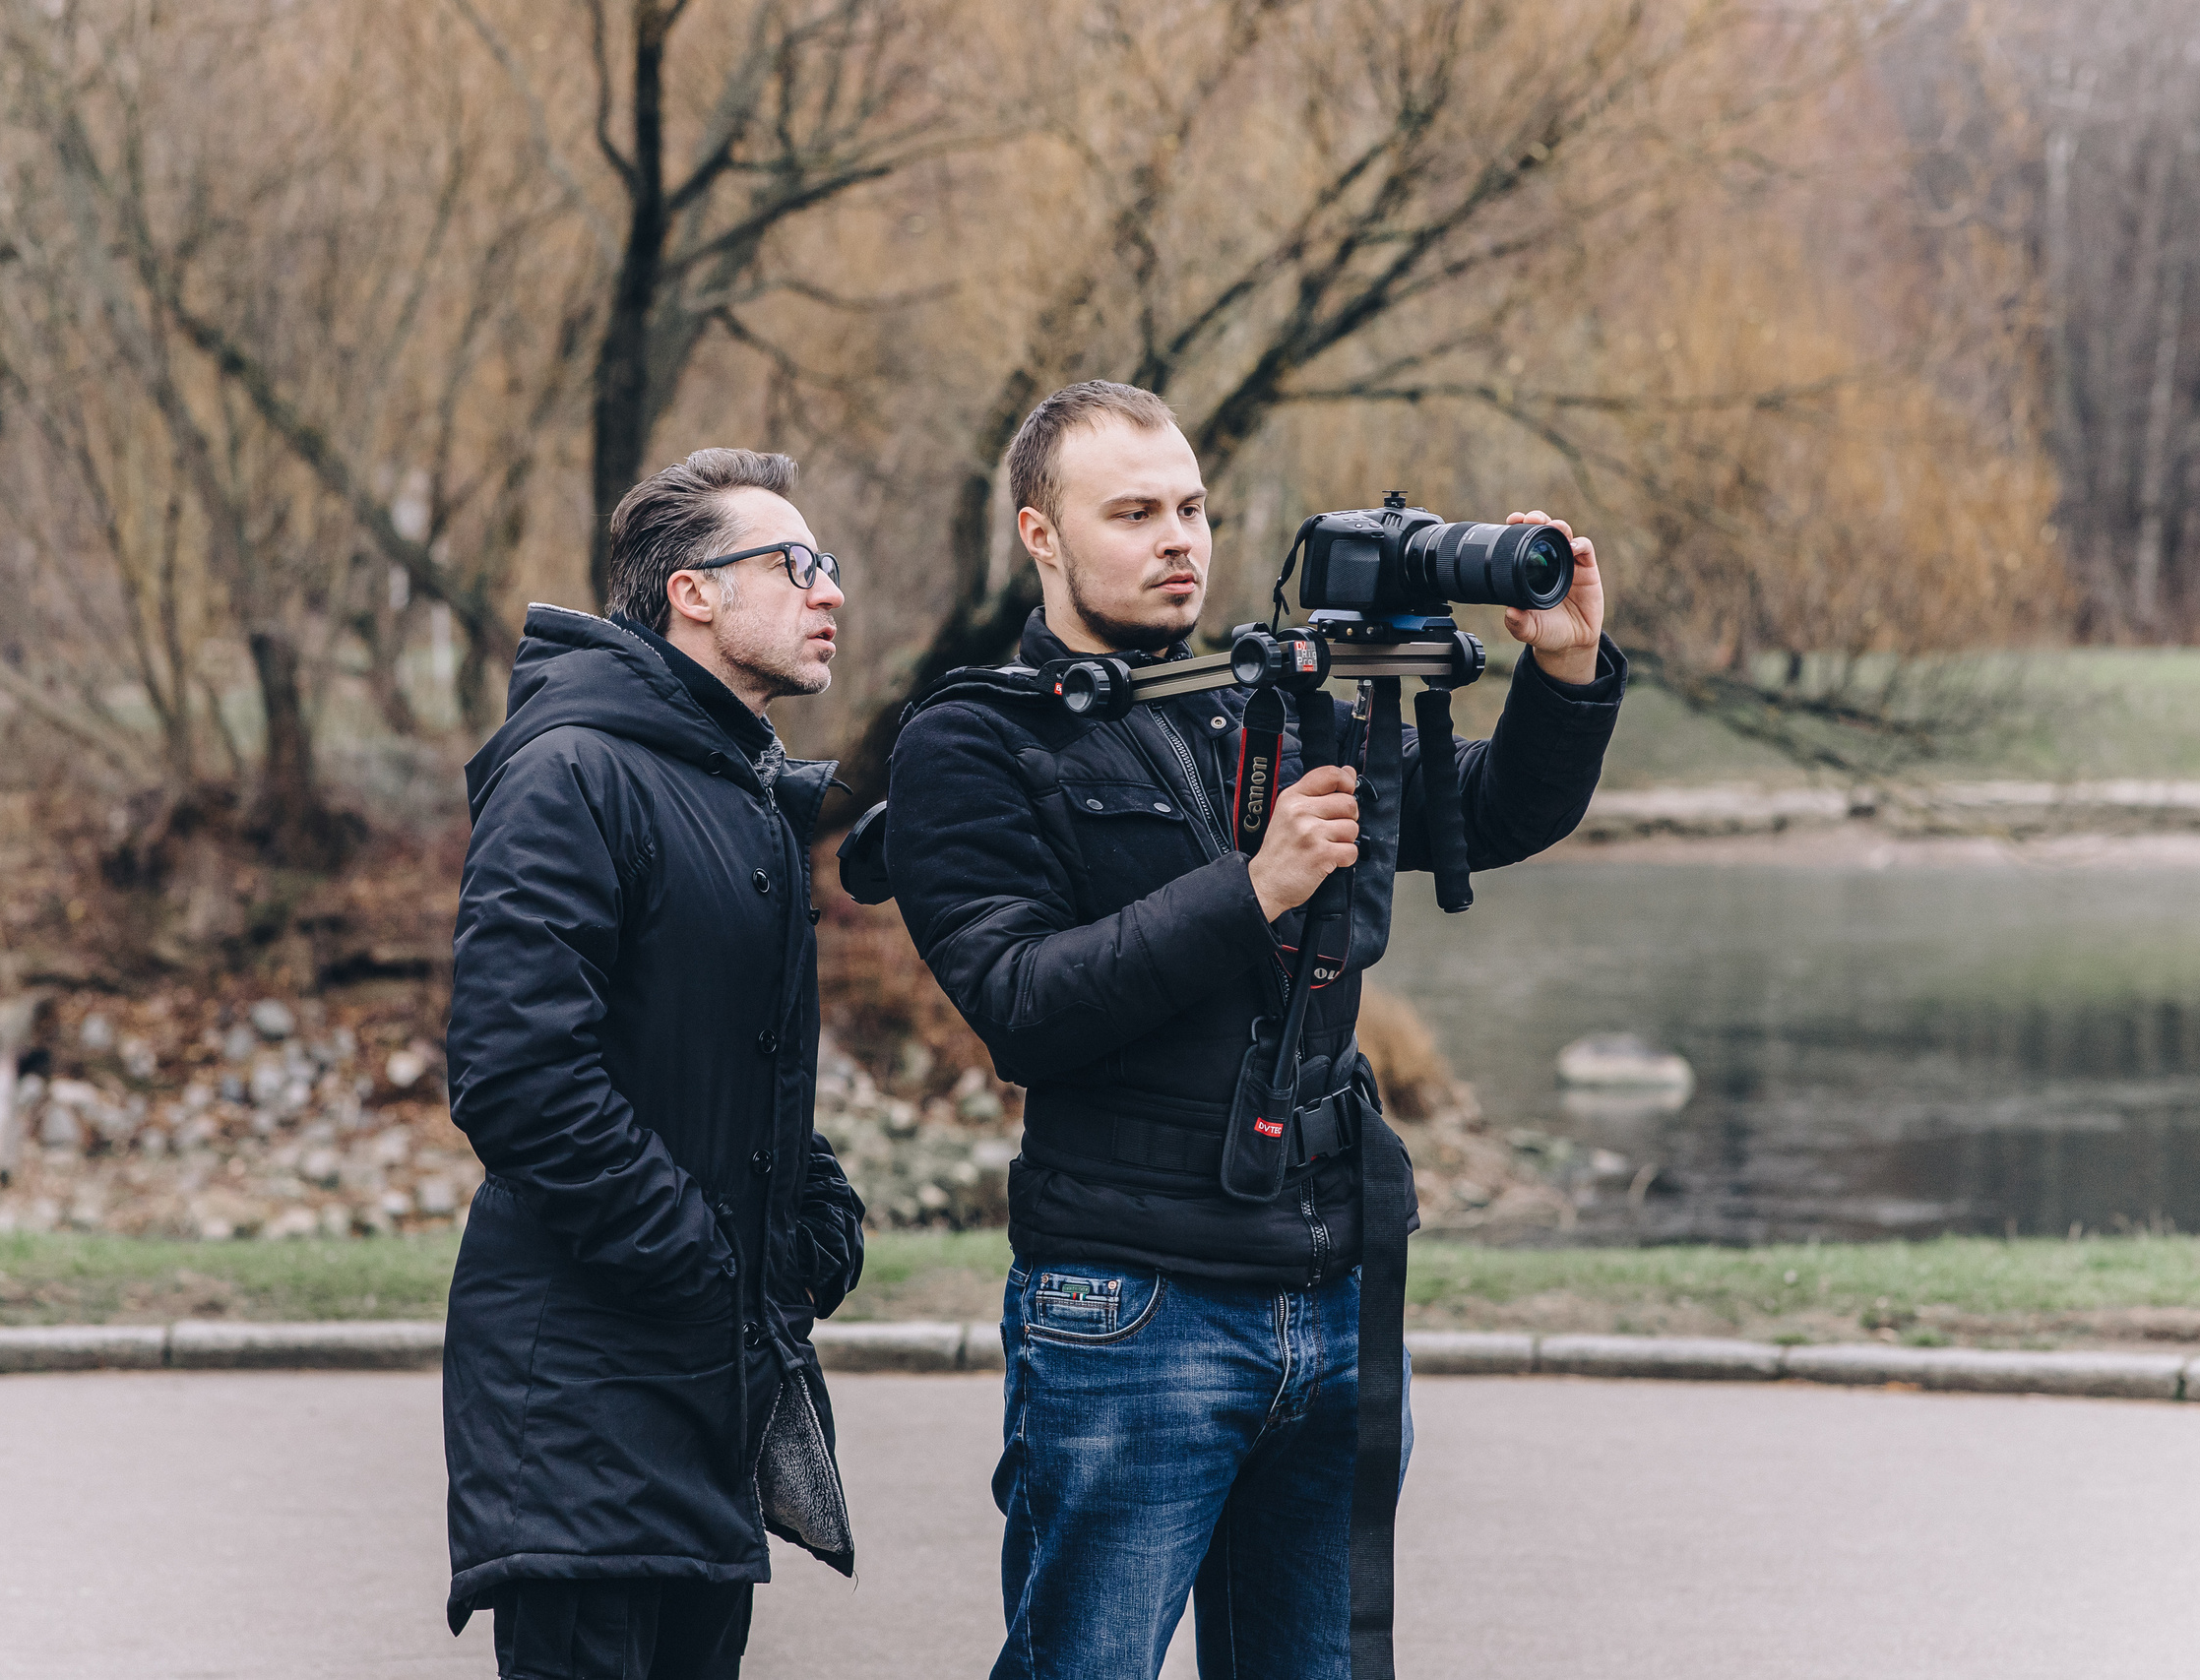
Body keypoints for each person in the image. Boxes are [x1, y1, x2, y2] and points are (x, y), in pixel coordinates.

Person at [882, 382, 1624, 1679]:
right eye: (1133, 512)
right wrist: (1255, 887)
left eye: (1191, 507)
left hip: (1329, 1284)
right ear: (1040, 534)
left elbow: (1481, 815)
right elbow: (1022, 1003)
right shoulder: (975, 739)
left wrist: (1564, 670)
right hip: (1128, 1301)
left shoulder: (1260, 697)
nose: (1178, 537)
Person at [442, 448, 866, 1680]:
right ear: (692, 593)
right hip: (583, 1391)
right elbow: (519, 1075)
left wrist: (812, 1213)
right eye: (794, 565)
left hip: (700, 1388)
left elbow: (732, 1060)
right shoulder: (574, 769)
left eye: (826, 567)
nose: (827, 591)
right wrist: (699, 1263)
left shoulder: (726, 787)